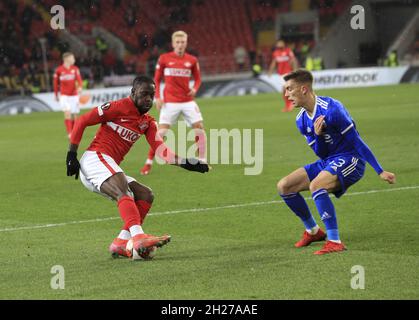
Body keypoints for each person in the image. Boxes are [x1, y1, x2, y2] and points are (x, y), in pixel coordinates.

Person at [66, 75, 210, 260]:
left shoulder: (148, 123)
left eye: (152, 95)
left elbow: (162, 152)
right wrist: (71, 154)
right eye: (144, 94)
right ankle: (139, 237)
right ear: (133, 93)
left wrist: (188, 163)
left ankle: (120, 242)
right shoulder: (117, 107)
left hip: (107, 166)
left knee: (145, 194)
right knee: (124, 191)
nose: (148, 99)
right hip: (95, 158)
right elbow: (82, 120)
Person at [276, 69, 396, 255]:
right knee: (284, 186)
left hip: (352, 159)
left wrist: (380, 170)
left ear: (304, 89)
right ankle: (314, 231)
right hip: (329, 160)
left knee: (317, 185)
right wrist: (319, 135)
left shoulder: (332, 109)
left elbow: (357, 142)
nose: (286, 95)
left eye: (290, 89)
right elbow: (321, 153)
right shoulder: (301, 120)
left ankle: (334, 240)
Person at [140, 30, 205, 175]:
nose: (180, 45)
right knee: (160, 133)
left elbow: (198, 78)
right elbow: (156, 79)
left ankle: (202, 160)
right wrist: (157, 96)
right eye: (178, 42)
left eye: (183, 42)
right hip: (170, 102)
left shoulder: (192, 60)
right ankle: (148, 163)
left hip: (187, 100)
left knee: (199, 128)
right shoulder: (164, 58)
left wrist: (194, 88)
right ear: (173, 43)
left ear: (186, 43)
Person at [53, 52, 83, 138]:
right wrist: (56, 95)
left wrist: (80, 87)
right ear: (67, 59)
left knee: (74, 115)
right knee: (67, 112)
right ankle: (70, 133)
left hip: (74, 95)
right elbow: (55, 83)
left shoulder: (75, 69)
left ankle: (74, 131)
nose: (74, 60)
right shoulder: (59, 70)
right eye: (72, 58)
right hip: (64, 96)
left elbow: (79, 80)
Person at [268, 39, 298, 112]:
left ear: (283, 44)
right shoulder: (275, 53)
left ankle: (291, 104)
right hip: (281, 74)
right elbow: (274, 62)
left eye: (280, 43)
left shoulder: (288, 51)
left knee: (286, 89)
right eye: (278, 43)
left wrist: (295, 70)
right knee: (284, 91)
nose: (279, 44)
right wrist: (270, 71)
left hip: (288, 73)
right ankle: (287, 106)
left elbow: (293, 60)